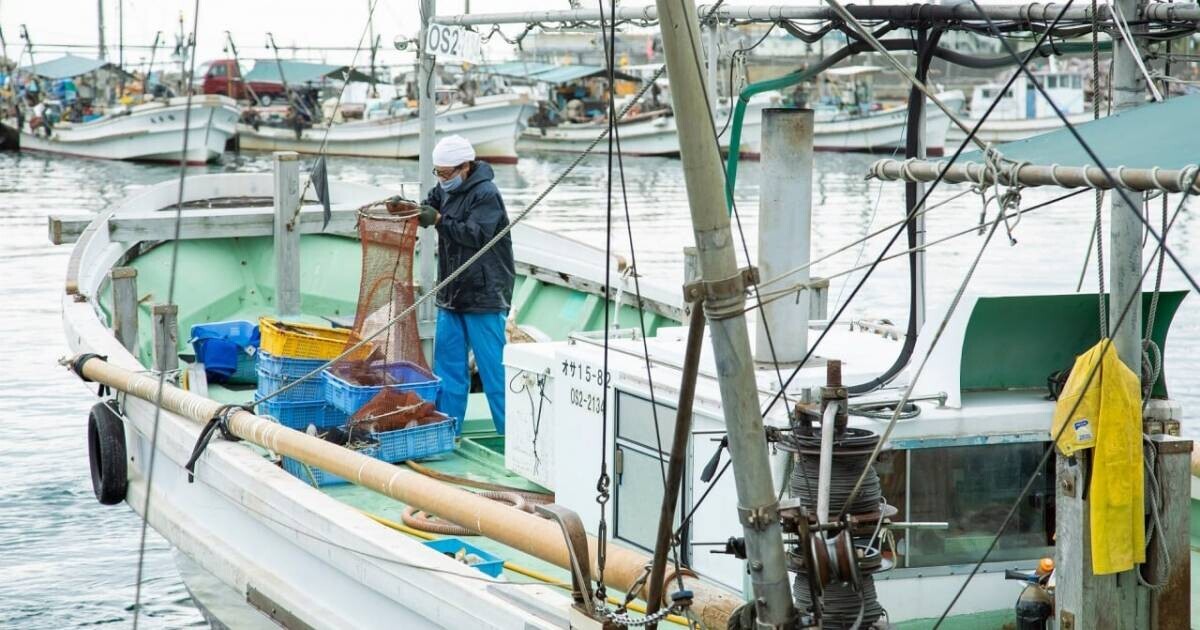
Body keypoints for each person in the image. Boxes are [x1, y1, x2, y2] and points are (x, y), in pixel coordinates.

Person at [388, 135, 514, 435]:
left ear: (465, 167)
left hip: (484, 296)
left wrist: (440, 220)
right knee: (448, 371)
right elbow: (428, 207)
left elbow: (476, 235)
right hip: (452, 294)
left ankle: (513, 438)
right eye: (438, 173)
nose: (442, 180)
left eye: (446, 174)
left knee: (494, 373)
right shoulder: (444, 190)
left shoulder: (487, 194)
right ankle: (448, 432)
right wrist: (408, 209)